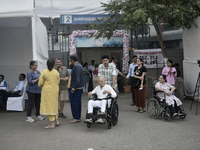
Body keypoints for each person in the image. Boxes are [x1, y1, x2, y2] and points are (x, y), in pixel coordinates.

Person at [38, 59, 60, 129]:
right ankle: (56, 121)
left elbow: (40, 83)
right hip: (55, 91)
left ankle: (51, 123)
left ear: (47, 64)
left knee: (49, 106)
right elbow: (58, 82)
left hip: (47, 91)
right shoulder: (56, 72)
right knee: (54, 105)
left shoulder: (44, 72)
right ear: (54, 65)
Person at [68, 54, 84, 123]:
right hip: (77, 87)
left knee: (75, 102)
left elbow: (77, 78)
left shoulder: (77, 66)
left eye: (70, 60)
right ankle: (76, 116)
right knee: (76, 102)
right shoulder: (78, 66)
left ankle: (76, 117)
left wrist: (74, 87)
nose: (70, 62)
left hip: (76, 88)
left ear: (72, 60)